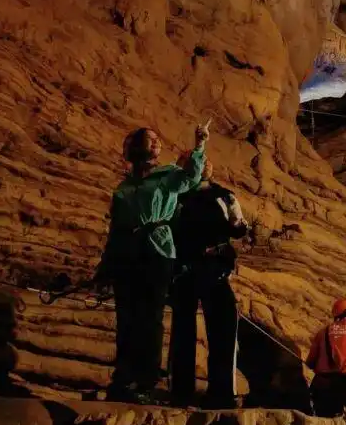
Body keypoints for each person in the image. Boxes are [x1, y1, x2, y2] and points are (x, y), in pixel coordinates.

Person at [95, 124, 208, 402]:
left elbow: (191, 178)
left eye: (158, 140)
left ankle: (144, 382)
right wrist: (106, 264)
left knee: (150, 317)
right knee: (126, 316)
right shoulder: (123, 188)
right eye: (152, 139)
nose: (157, 144)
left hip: (157, 250)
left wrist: (200, 145)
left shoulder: (167, 176)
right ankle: (123, 377)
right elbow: (116, 228)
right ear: (135, 147)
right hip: (127, 252)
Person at [168, 154, 248, 408]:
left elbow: (238, 226)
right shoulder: (175, 196)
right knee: (183, 330)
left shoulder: (224, 195)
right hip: (185, 268)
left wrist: (236, 224)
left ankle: (221, 391)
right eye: (197, 162)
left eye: (207, 162)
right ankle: (181, 391)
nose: (205, 165)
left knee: (224, 327)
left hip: (215, 269)